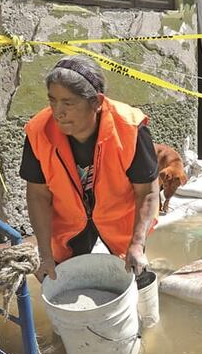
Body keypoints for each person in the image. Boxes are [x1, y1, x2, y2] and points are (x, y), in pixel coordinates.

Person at [20, 56, 160, 283]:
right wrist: (44, 254)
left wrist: (137, 243)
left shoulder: (129, 128)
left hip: (119, 219)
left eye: (68, 103)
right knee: (64, 280)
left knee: (134, 273)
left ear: (96, 102)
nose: (58, 112)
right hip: (68, 221)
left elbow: (147, 192)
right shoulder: (39, 131)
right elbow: (38, 195)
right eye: (52, 101)